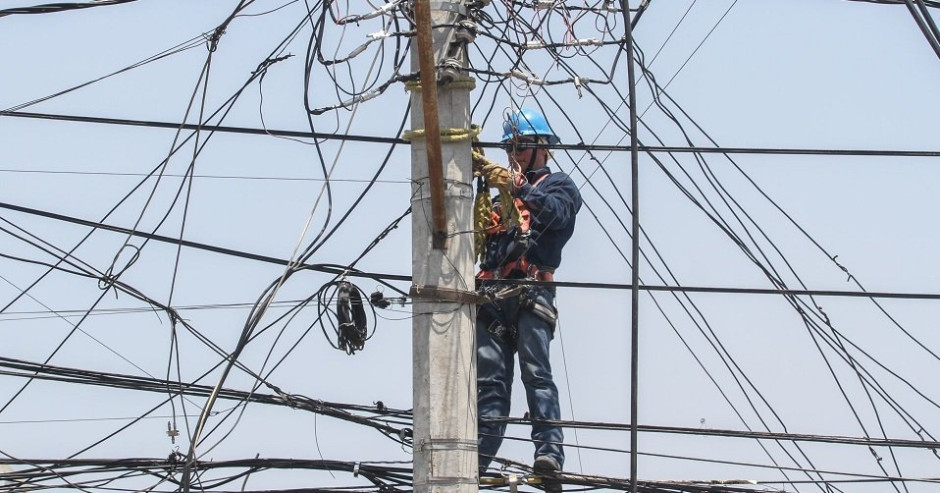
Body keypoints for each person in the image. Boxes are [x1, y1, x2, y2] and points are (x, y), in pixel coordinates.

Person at [475, 108, 582, 481]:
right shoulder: (499, 195)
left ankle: (549, 454)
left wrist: (517, 187)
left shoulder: (559, 185)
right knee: (489, 387)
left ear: (541, 147)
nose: (513, 154)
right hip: (490, 297)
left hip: (531, 293)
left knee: (536, 374)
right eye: (509, 147)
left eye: (520, 147)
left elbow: (558, 215)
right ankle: (473, 463)